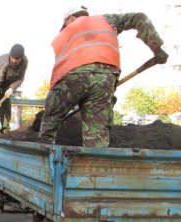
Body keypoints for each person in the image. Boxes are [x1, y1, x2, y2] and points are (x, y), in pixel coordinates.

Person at [37, 6, 168, 148]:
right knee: (96, 134)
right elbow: (139, 17)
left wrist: (54, 107)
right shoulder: (107, 20)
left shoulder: (61, 35)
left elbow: (60, 72)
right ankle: (95, 166)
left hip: (71, 78)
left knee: (50, 122)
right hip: (105, 78)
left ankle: (43, 155)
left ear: (71, 18)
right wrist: (156, 48)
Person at [0, 44, 29, 135]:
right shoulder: (3, 63)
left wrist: (12, 88)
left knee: (6, 105)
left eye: (17, 59)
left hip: (7, 82)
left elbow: (20, 78)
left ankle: (5, 131)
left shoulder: (25, 62)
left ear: (21, 58)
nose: (14, 60)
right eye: (12, 58)